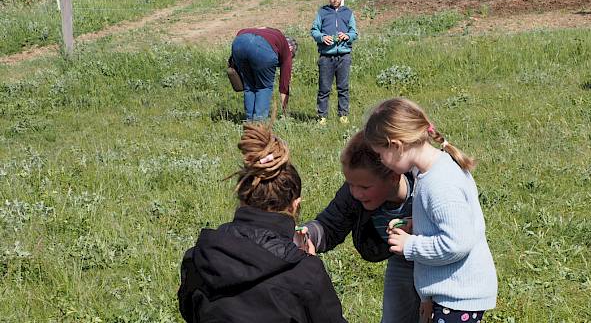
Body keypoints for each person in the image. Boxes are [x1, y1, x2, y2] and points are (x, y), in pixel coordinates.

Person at [177, 123, 346, 323]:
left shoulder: (198, 257)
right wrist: (308, 265)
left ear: (241, 199)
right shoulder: (304, 272)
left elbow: (190, 312)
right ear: (295, 205)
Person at [364, 98, 497, 323]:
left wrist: (411, 245)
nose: (381, 161)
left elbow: (457, 242)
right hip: (448, 294)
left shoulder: (439, 183)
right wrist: (417, 225)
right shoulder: (429, 171)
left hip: (457, 298)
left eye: (380, 154)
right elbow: (450, 220)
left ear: (396, 146)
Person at [295, 131, 421, 322]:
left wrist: (417, 227)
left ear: (394, 177)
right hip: (402, 259)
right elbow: (329, 225)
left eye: (364, 187)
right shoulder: (354, 192)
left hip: (440, 263)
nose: (356, 193)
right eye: (350, 184)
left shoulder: (425, 187)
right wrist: (308, 235)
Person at [311, 0, 358, 126]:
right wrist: (322, 37)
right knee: (324, 88)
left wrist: (348, 36)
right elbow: (314, 30)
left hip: (343, 56)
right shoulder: (322, 12)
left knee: (343, 87)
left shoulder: (348, 13)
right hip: (326, 57)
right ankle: (322, 116)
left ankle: (343, 115)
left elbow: (354, 32)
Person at [230, 27, 296, 121]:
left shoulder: (272, 33)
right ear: (291, 49)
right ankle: (259, 123)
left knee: (249, 86)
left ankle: (249, 121)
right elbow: (284, 85)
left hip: (239, 43)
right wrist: (285, 111)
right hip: (262, 48)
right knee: (264, 87)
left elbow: (241, 32)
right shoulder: (286, 50)